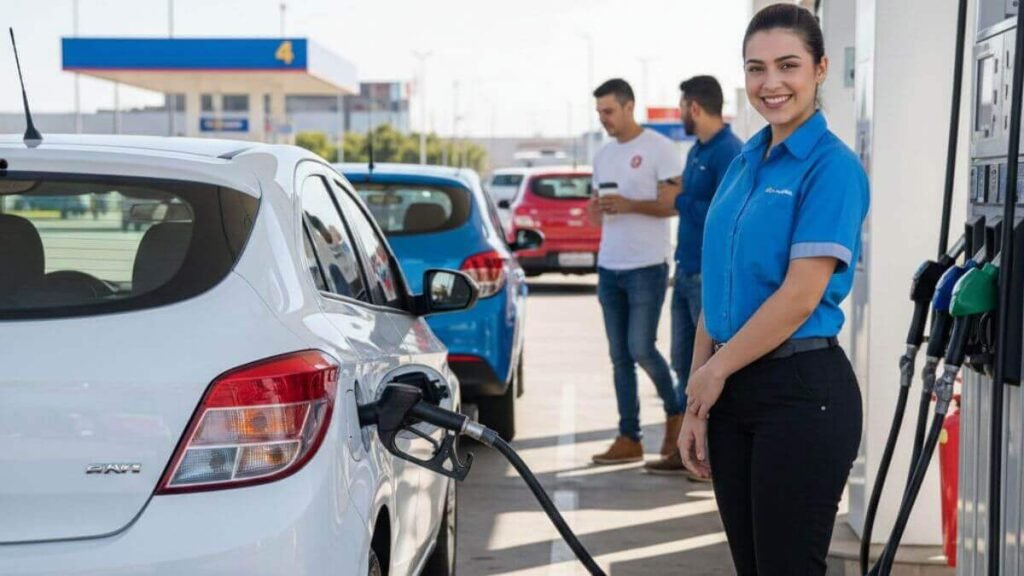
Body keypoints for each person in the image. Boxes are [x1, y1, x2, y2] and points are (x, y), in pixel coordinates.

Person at [677, 4, 870, 574]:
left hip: (801, 391)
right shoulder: (743, 163)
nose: (771, 83)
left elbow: (799, 296)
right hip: (730, 389)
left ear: (820, 68)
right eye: (756, 68)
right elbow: (718, 289)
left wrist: (714, 373)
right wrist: (698, 398)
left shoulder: (831, 168)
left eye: (788, 65)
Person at [643, 75, 743, 476]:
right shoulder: (698, 150)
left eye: (683, 106)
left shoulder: (729, 153)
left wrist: (679, 199)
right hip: (685, 270)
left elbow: (725, 217)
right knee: (683, 362)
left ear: (695, 108)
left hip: (707, 277)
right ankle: (689, 448)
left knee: (708, 367)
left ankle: (712, 456)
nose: (682, 112)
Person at [587, 78, 685, 465]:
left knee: (641, 348)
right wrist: (595, 210)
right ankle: (630, 438)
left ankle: (676, 413)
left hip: (647, 265)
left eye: (609, 111)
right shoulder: (602, 155)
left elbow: (674, 205)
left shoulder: (660, 148)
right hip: (609, 266)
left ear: (629, 107)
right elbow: (598, 214)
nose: (603, 119)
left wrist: (629, 205)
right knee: (619, 358)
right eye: (599, 112)